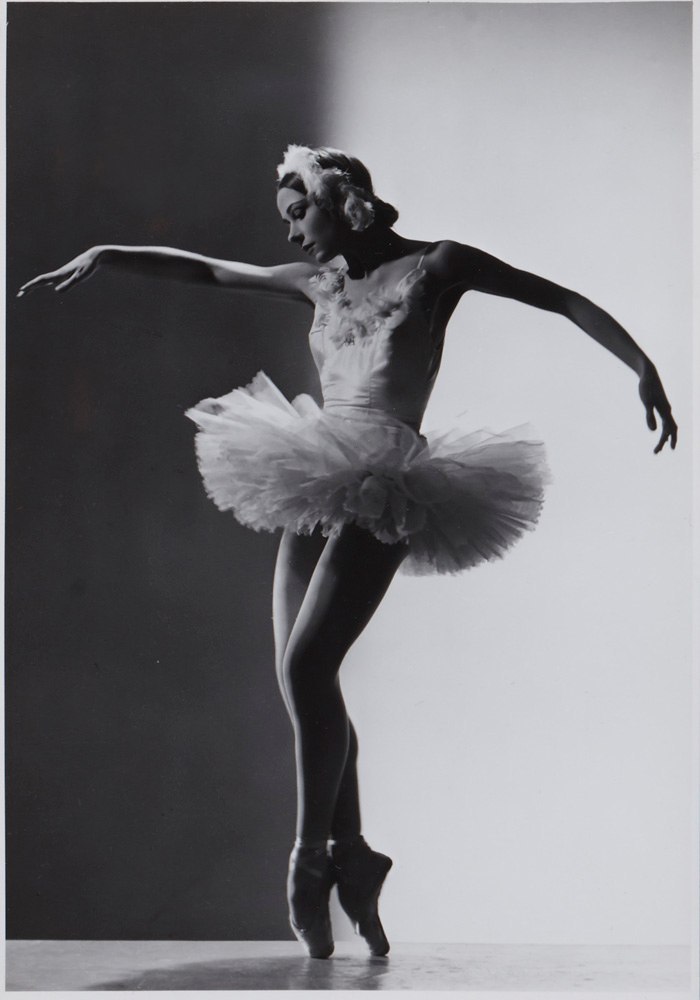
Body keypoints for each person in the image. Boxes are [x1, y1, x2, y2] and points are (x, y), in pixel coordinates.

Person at [19, 143, 678, 960]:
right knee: (300, 675)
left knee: (307, 668)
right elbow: (212, 271)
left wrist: (642, 364)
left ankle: (309, 861)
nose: (292, 231)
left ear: (342, 200)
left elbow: (561, 298)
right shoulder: (315, 282)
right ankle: (357, 855)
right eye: (286, 218)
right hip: (312, 466)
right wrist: (107, 252)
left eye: (300, 212)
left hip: (388, 480)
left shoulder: (438, 265)